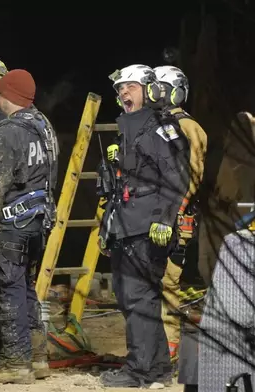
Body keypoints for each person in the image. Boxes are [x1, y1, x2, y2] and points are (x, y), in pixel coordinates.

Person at [98, 64, 190, 387]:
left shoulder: (158, 127)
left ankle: (137, 371)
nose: (123, 92)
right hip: (126, 222)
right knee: (136, 297)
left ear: (149, 90)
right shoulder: (130, 127)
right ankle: (158, 368)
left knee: (137, 297)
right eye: (120, 88)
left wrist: (164, 219)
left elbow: (178, 176)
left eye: (130, 87)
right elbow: (120, 184)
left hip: (147, 225)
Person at [0, 69, 59, 384]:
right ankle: (37, 357)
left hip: (10, 226)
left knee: (7, 291)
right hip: (39, 223)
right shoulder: (43, 126)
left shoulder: (6, 131)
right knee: (26, 289)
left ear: (5, 95)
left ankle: (15, 362)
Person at [153, 65, 207, 363]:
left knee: (167, 282)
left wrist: (174, 214)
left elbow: (193, 176)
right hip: (152, 215)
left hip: (175, 219)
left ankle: (169, 347)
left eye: (158, 87)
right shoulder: (154, 126)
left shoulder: (189, 129)